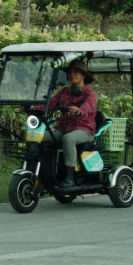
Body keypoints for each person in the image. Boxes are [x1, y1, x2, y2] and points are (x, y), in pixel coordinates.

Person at [46, 58, 99, 190]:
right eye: (70, 72)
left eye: (76, 72)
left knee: (68, 139)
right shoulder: (64, 92)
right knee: (41, 136)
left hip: (84, 131)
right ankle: (43, 171)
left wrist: (78, 111)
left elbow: (87, 108)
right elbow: (49, 104)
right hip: (63, 128)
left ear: (84, 75)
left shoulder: (91, 93)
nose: (72, 74)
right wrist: (31, 108)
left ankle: (69, 177)